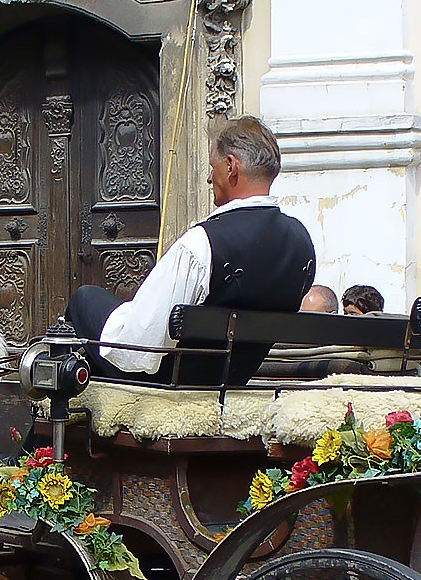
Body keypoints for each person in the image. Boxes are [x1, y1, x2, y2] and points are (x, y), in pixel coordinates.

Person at [65, 115, 316, 387]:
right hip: (232, 377)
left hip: (170, 383)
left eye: (213, 167)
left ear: (231, 166)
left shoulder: (203, 242)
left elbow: (137, 347)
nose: (209, 178)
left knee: (85, 298)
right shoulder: (303, 244)